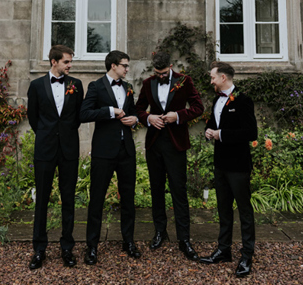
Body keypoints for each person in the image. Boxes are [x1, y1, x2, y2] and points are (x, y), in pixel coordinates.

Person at [135, 51, 204, 260]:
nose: (161, 77)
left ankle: (184, 238)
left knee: (179, 191)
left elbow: (198, 107)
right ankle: (159, 232)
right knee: (156, 189)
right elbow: (138, 109)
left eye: (164, 73)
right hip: (154, 144)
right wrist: (149, 118)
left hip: (176, 145)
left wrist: (178, 115)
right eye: (158, 73)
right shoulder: (148, 83)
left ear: (171, 66)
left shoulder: (185, 81)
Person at [26, 45, 84, 269]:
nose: (70, 65)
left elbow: (77, 116)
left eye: (70, 62)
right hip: (45, 150)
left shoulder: (76, 85)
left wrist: (65, 135)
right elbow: (33, 118)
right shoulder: (36, 85)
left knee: (68, 199)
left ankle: (67, 248)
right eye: (67, 62)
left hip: (68, 149)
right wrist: (47, 135)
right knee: (42, 199)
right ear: (54, 62)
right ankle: (39, 249)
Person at [80, 50, 140, 265]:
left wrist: (134, 120)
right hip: (103, 152)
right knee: (96, 199)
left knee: (128, 199)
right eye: (125, 65)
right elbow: (84, 114)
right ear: (113, 66)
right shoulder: (96, 86)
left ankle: (129, 241)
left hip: (126, 151)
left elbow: (134, 113)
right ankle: (92, 246)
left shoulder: (128, 87)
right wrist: (109, 111)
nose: (127, 69)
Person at [199, 62, 257, 278]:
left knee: (244, 211)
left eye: (213, 77)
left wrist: (220, 134)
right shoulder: (216, 100)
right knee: (223, 210)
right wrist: (208, 131)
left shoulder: (243, 100)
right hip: (220, 164)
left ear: (223, 78)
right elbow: (213, 123)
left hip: (238, 165)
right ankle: (223, 250)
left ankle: (247, 255)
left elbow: (251, 133)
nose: (211, 81)